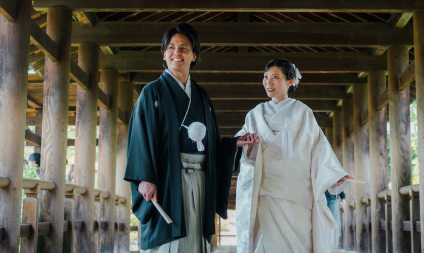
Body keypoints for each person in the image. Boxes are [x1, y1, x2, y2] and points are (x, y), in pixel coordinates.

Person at [124, 23, 257, 252]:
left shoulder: (202, 96)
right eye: (172, 47)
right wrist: (144, 178)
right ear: (164, 54)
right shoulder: (151, 92)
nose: (177, 52)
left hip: (200, 180)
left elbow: (211, 142)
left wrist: (231, 145)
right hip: (166, 181)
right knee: (169, 240)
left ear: (194, 55)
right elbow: (139, 139)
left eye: (184, 48)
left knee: (195, 238)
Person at [235, 58, 351, 253]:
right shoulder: (253, 115)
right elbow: (244, 151)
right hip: (265, 193)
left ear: (290, 81)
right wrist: (247, 145)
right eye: (265, 77)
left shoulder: (303, 113)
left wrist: (334, 175)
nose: (268, 83)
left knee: (297, 245)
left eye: (275, 77)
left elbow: (319, 149)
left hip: (296, 194)